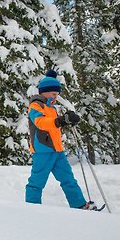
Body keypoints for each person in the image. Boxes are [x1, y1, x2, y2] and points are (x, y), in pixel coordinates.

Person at [25, 69, 95, 210]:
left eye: (57, 94)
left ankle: (79, 204)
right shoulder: (35, 106)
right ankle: (31, 208)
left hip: (57, 150)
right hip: (43, 150)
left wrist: (66, 121)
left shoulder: (52, 108)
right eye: (54, 94)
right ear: (44, 92)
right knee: (37, 182)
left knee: (68, 179)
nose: (56, 97)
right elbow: (41, 123)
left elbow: (55, 126)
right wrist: (60, 120)